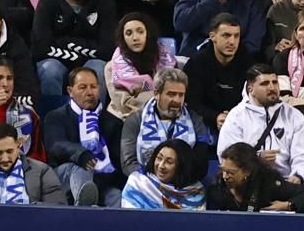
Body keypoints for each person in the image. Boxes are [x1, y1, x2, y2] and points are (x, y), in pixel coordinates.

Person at [216, 63, 304, 188]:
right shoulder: (236, 116)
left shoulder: (294, 116)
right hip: (247, 184)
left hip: (284, 183)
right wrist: (256, 160)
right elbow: (227, 159)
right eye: (264, 84)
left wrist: (298, 177)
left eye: (275, 82)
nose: (272, 87)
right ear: (250, 89)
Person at [42, 65, 120, 206]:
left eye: (93, 87)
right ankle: (85, 209)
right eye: (82, 87)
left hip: (101, 183)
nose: (89, 92)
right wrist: (81, 154)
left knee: (117, 196)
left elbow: (117, 162)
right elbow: (55, 145)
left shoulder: (113, 122)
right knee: (80, 168)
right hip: (62, 179)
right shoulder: (56, 117)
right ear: (70, 91)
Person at [205, 141, 304, 213]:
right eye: (223, 170)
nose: (225, 176)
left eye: (231, 172)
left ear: (247, 171)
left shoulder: (267, 183)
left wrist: (288, 205)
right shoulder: (216, 189)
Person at [119, 139, 204, 211]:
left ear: (182, 166)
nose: (161, 166)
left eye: (169, 162)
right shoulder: (138, 183)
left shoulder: (196, 191)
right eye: (159, 158)